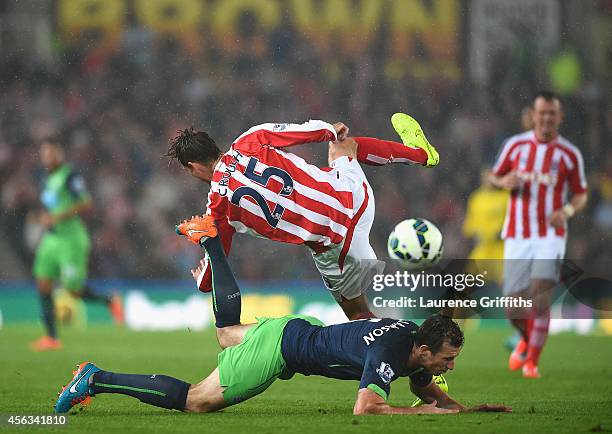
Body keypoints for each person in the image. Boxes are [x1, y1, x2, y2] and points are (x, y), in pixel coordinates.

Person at [54, 215, 511, 415]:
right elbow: (368, 408)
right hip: (284, 348)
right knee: (197, 400)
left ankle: (213, 244)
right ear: (425, 349)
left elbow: (426, 389)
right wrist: (436, 417)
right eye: (448, 359)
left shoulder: (412, 339)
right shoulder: (392, 350)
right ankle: (93, 378)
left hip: (297, 330)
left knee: (228, 333)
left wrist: (466, 409)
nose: (450, 367)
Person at [165, 114, 439, 320]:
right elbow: (301, 132)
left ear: (194, 166)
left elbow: (217, 259)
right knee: (344, 147)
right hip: (354, 198)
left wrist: (203, 280)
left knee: (360, 319)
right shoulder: (250, 139)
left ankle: (422, 369)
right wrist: (330, 130)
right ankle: (421, 154)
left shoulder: (218, 206)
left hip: (337, 245)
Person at [490, 91, 588, 378]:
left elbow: (581, 195)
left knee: (539, 293)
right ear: (533, 115)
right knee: (512, 306)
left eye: (551, 113)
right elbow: (494, 176)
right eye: (541, 113)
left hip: (550, 233)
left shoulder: (569, 154)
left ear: (560, 117)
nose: (546, 118)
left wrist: (567, 212)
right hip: (518, 233)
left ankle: (532, 360)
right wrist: (503, 180)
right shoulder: (515, 146)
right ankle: (525, 337)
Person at [30, 139, 124, 351]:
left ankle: (110, 300)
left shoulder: (70, 176)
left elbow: (85, 202)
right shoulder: (46, 178)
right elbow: (52, 208)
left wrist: (57, 217)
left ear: (59, 153)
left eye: (51, 153)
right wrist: (41, 218)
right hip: (51, 239)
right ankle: (52, 338)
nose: (48, 157)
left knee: (73, 291)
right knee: (43, 284)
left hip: (71, 239)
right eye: (44, 153)